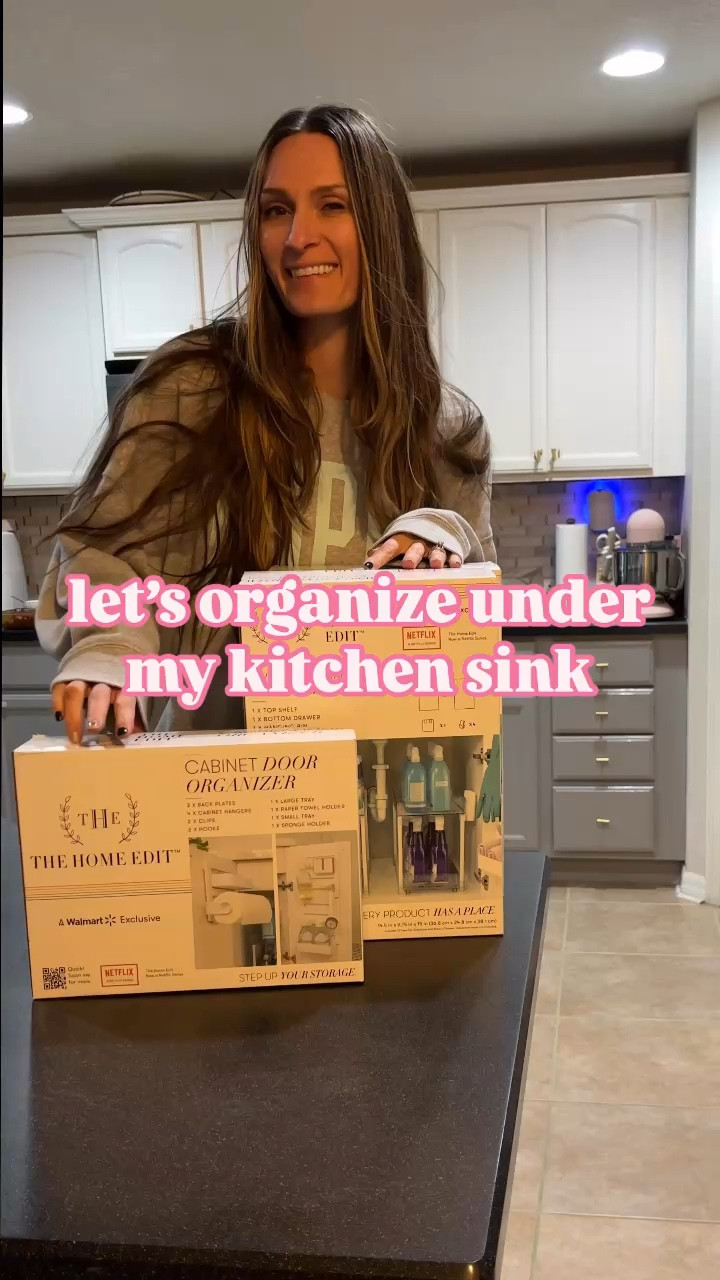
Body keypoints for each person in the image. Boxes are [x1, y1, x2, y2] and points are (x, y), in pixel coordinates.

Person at [37, 104, 495, 745]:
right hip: (226, 785)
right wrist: (110, 647)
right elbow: (107, 553)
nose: (296, 237)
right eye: (276, 210)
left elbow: (468, 627)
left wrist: (443, 534)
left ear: (381, 225)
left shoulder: (449, 429)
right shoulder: (193, 386)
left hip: (392, 789)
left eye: (332, 205)